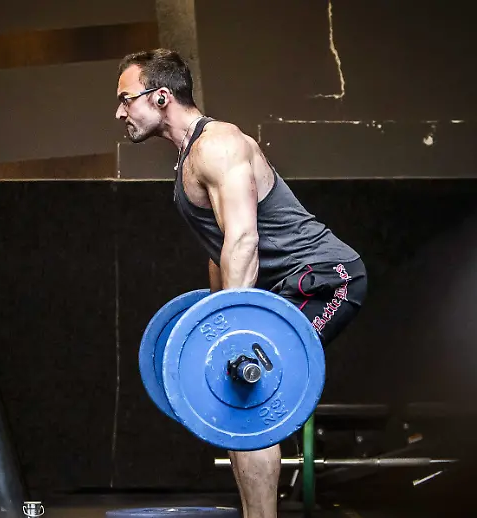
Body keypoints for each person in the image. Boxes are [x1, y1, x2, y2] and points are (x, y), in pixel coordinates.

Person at [115, 49, 368, 518]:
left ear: (162, 97)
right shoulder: (189, 157)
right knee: (235, 397)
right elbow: (221, 246)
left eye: (126, 99)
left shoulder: (219, 145)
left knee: (245, 393)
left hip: (325, 281)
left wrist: (232, 331)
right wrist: (212, 323)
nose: (119, 112)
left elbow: (244, 240)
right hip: (286, 288)